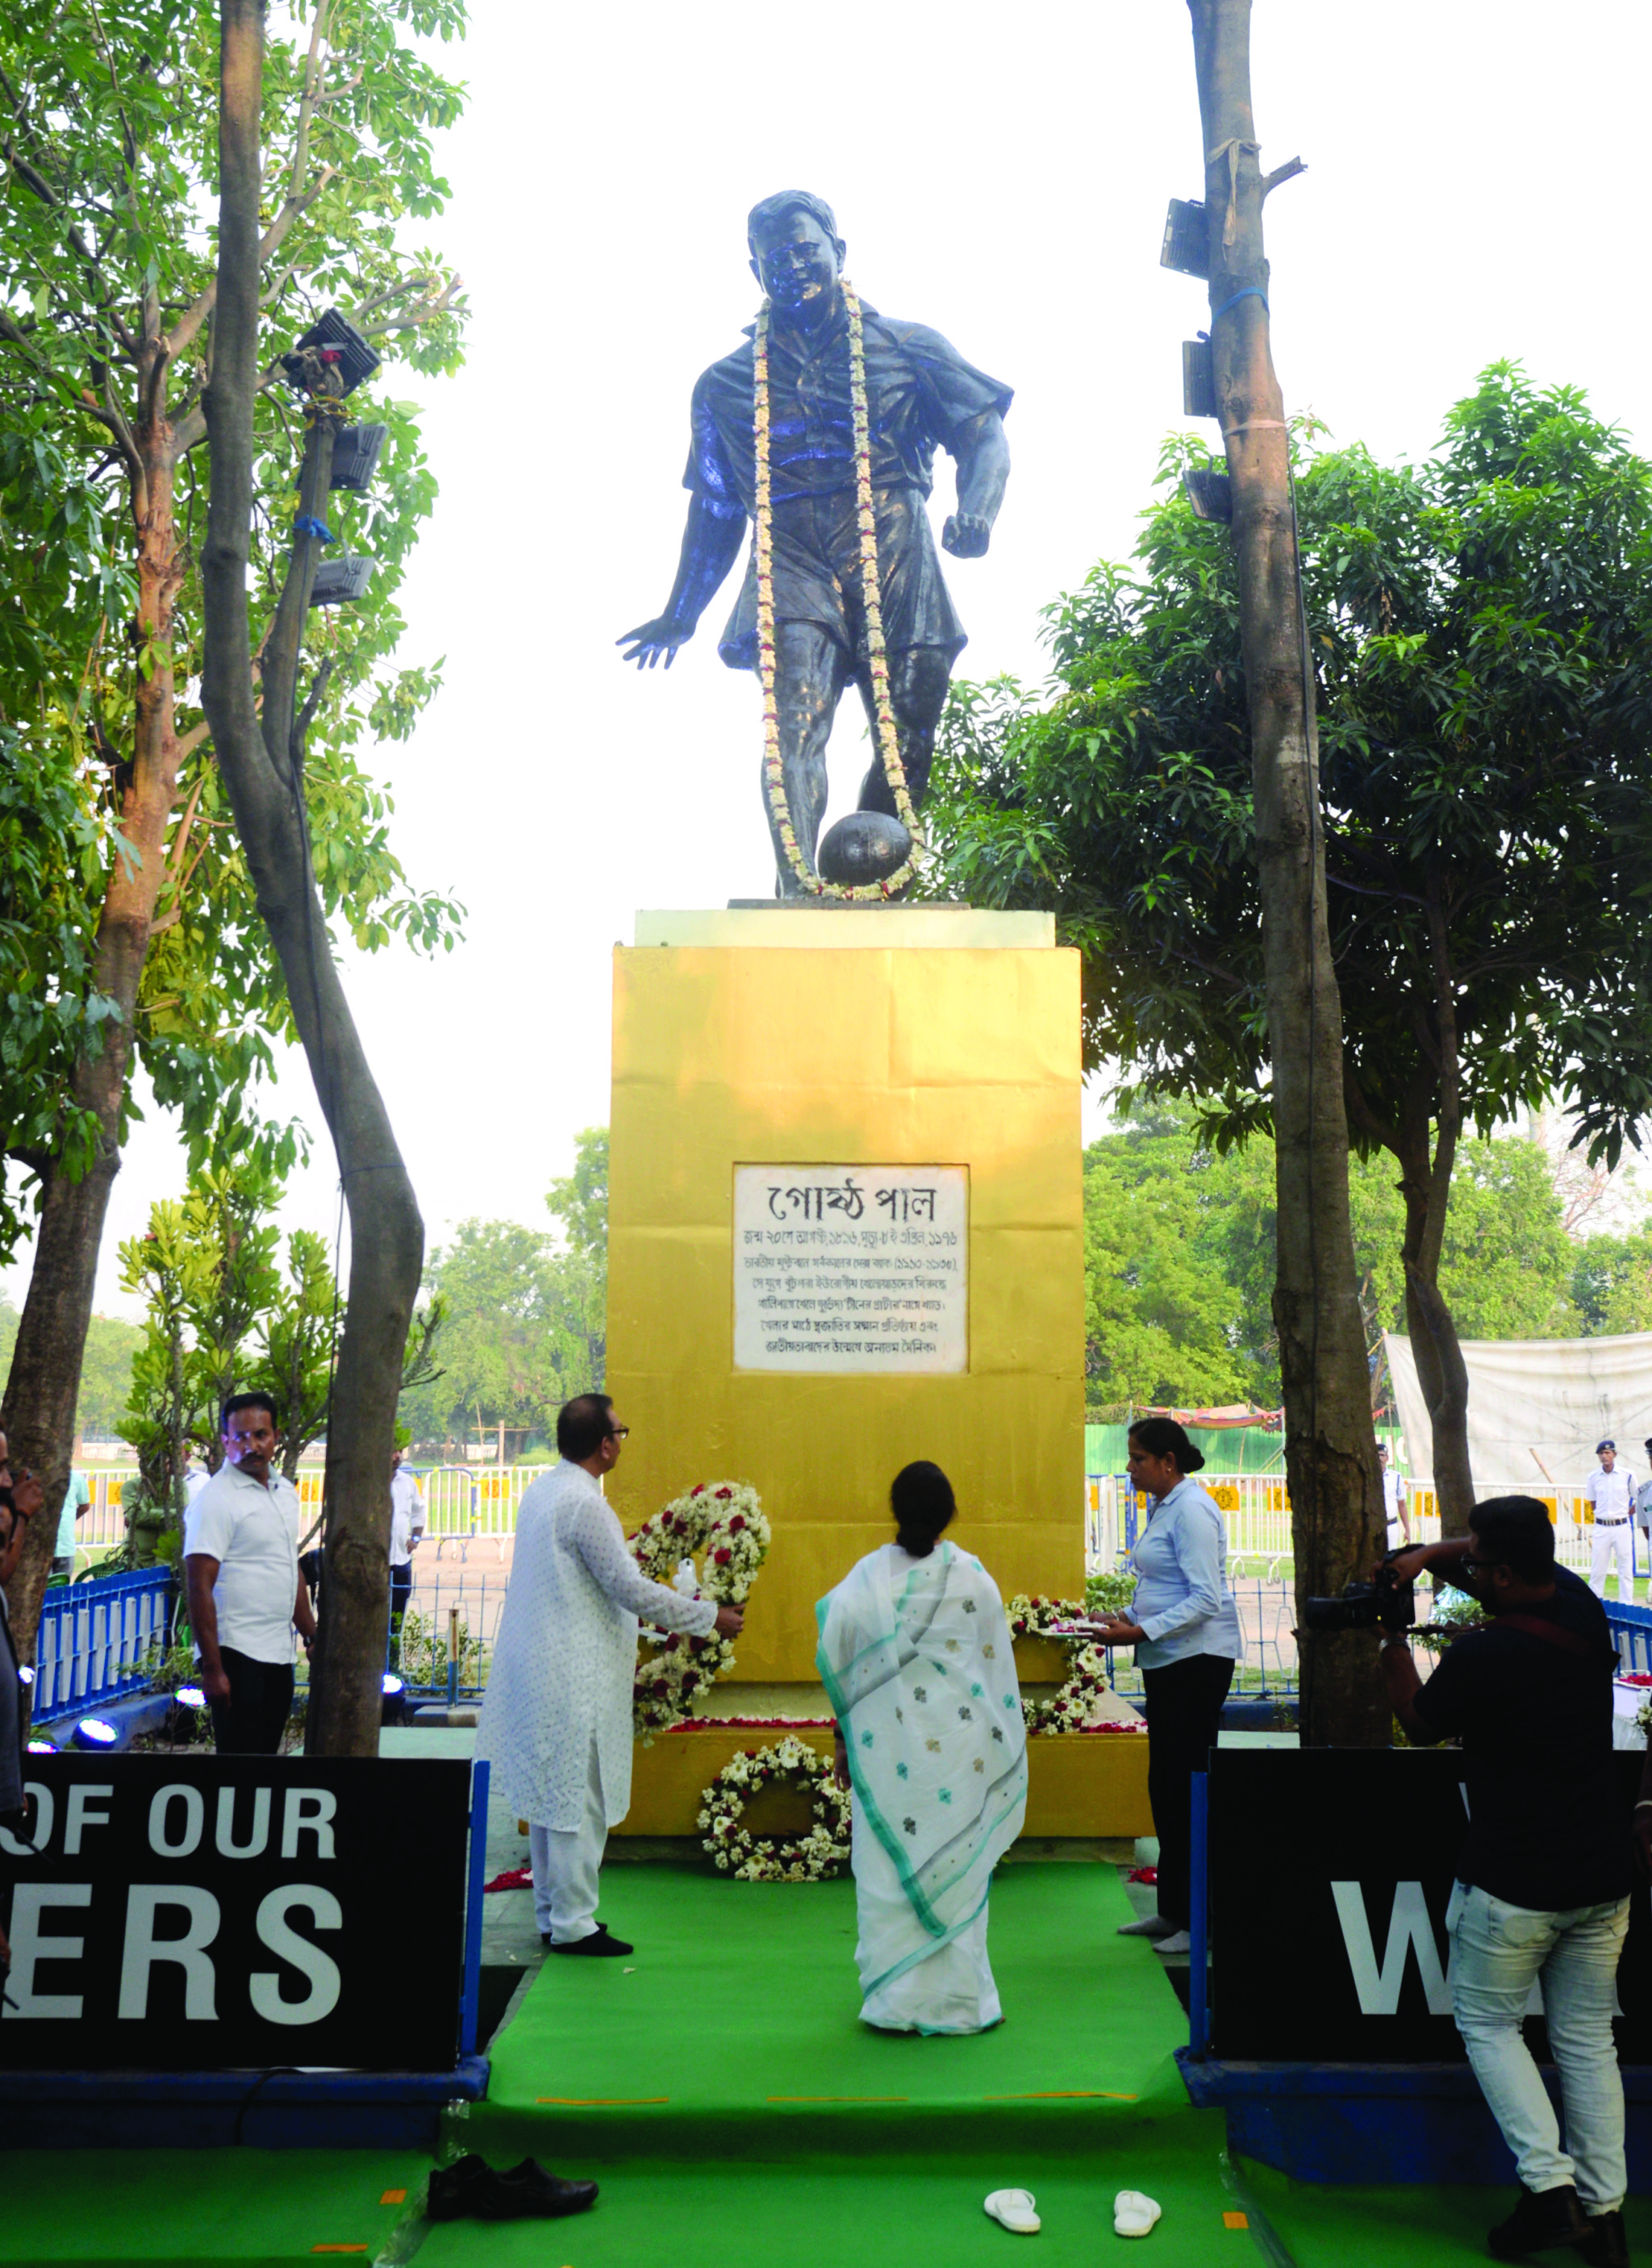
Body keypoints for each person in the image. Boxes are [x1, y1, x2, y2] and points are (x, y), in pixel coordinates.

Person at [618, 190, 1012, 891]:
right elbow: (715, 509)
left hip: (894, 539)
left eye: (807, 250)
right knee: (793, 727)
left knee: (912, 721)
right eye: (777, 258)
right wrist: (682, 612)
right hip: (790, 554)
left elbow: (984, 438)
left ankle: (873, 877)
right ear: (755, 271)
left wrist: (977, 510)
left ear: (839, 252)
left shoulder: (907, 346)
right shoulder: (725, 385)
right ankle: (798, 887)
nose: (794, 266)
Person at [1382, 1498, 1632, 2268]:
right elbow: (1500, 1562)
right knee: (1589, 2044)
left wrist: (1392, 1638)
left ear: (1505, 1571)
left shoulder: (1485, 1655)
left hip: (1513, 1883)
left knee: (1490, 2027)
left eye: (1481, 1564)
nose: (1473, 1572)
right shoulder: (1582, 1609)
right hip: (1603, 1875)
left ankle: (1550, 2192)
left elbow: (1418, 1725)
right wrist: (1429, 1555)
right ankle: (1607, 2217)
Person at [476, 1395, 742, 1956]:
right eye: (621, 1431)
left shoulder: (546, 1489)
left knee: (552, 1801)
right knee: (579, 1799)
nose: (623, 1439)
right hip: (572, 1673)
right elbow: (629, 1588)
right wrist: (706, 1617)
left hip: (544, 1666)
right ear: (605, 1444)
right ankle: (574, 1923)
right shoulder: (583, 1502)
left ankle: (553, 1915)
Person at [816, 1462, 1027, 2035]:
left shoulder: (865, 1580)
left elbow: (841, 1657)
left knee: (889, 1873)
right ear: (948, 1512)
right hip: (961, 1756)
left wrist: (842, 1742)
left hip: (886, 1756)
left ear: (896, 1510)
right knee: (955, 1873)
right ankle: (962, 2003)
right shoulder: (973, 1579)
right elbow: (989, 1674)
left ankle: (893, 2004)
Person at [1077, 1416, 1241, 1958]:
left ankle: (1206, 1920)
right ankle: (1174, 1910)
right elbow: (1162, 1587)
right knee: (1166, 1789)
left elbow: (1205, 1599)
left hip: (1197, 1663)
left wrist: (1138, 1630)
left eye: (1138, 1459)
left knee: (1189, 1789)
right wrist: (1120, 1615)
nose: (1129, 1468)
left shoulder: (1192, 1509)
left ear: (1168, 1462)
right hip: (1169, 1659)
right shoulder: (1166, 1506)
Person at [183, 1393, 315, 1754]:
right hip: (234, 1655)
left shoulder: (284, 1492)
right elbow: (198, 1586)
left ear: (276, 1437)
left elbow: (289, 1567)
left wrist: (311, 1634)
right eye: (239, 1437)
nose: (250, 1445)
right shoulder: (216, 1499)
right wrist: (212, 1668)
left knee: (265, 1766)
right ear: (225, 1442)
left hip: (278, 1655)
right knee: (240, 1774)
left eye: (260, 1435)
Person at [1583, 1440, 1636, 1601]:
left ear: (1614, 1454)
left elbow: (1638, 1499)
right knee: (1597, 1570)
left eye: (1607, 1453)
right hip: (1602, 1527)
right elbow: (1592, 1502)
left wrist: (1627, 1514)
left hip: (1621, 1527)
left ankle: (1626, 1607)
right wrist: (1601, 1516)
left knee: (1625, 1570)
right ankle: (1596, 1605)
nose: (1604, 1456)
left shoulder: (1627, 1475)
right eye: (1601, 1454)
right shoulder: (1593, 1477)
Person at [388, 1447, 426, 1654]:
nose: (398, 1456)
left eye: (400, 1451)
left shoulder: (407, 1483)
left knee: (396, 1620)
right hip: (376, 1565)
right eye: (393, 1451)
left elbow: (419, 1511)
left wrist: (416, 1538)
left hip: (402, 1564)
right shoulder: (371, 1484)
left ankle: (392, 1668)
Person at [51, 1465, 90, 1578]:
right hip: (44, 1547)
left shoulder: (76, 1479)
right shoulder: (40, 1478)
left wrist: (70, 1519)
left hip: (66, 1545)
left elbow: (85, 1505)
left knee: (63, 1589)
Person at [1378, 1443, 1410, 1551]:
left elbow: (1402, 1504)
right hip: (1374, 1526)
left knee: (1390, 1559)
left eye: (1382, 1455)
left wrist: (1407, 1530)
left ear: (1387, 1458)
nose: (1380, 1458)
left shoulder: (1396, 1477)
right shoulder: (1368, 1477)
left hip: (1390, 1526)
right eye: (1377, 1455)